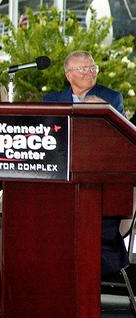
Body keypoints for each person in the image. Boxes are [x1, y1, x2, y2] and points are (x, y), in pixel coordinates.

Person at [43, 50, 128, 275]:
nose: (91, 72)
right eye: (84, 69)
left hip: (96, 182)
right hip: (60, 181)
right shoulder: (51, 101)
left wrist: (104, 112)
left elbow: (121, 142)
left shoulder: (111, 98)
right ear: (68, 74)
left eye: (93, 68)